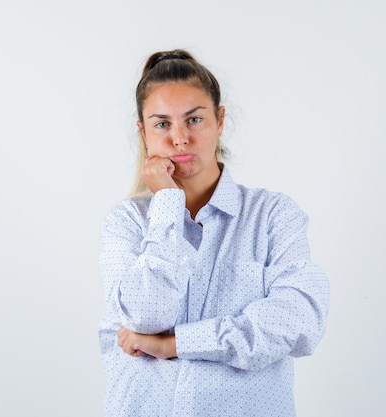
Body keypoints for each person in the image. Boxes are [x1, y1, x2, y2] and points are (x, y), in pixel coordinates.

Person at [97, 49, 330, 417]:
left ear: (219, 120)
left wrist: (176, 344)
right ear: (142, 130)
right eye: (162, 124)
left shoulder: (273, 216)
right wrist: (168, 207)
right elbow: (145, 316)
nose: (179, 138)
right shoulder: (127, 222)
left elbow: (298, 323)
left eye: (194, 119)